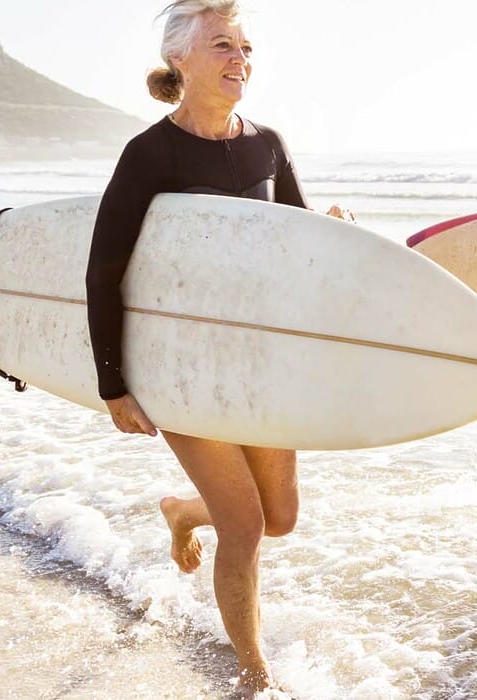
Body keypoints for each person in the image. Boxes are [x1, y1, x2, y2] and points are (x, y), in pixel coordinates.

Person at [84, 1, 346, 692]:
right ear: (182, 60)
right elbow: (104, 271)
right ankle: (254, 672)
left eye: (246, 47)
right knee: (247, 527)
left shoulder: (266, 143)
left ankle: (182, 510)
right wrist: (114, 384)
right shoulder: (150, 154)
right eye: (222, 44)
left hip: (259, 362)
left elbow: (294, 239)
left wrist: (332, 228)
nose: (240, 59)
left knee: (279, 519)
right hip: (183, 366)